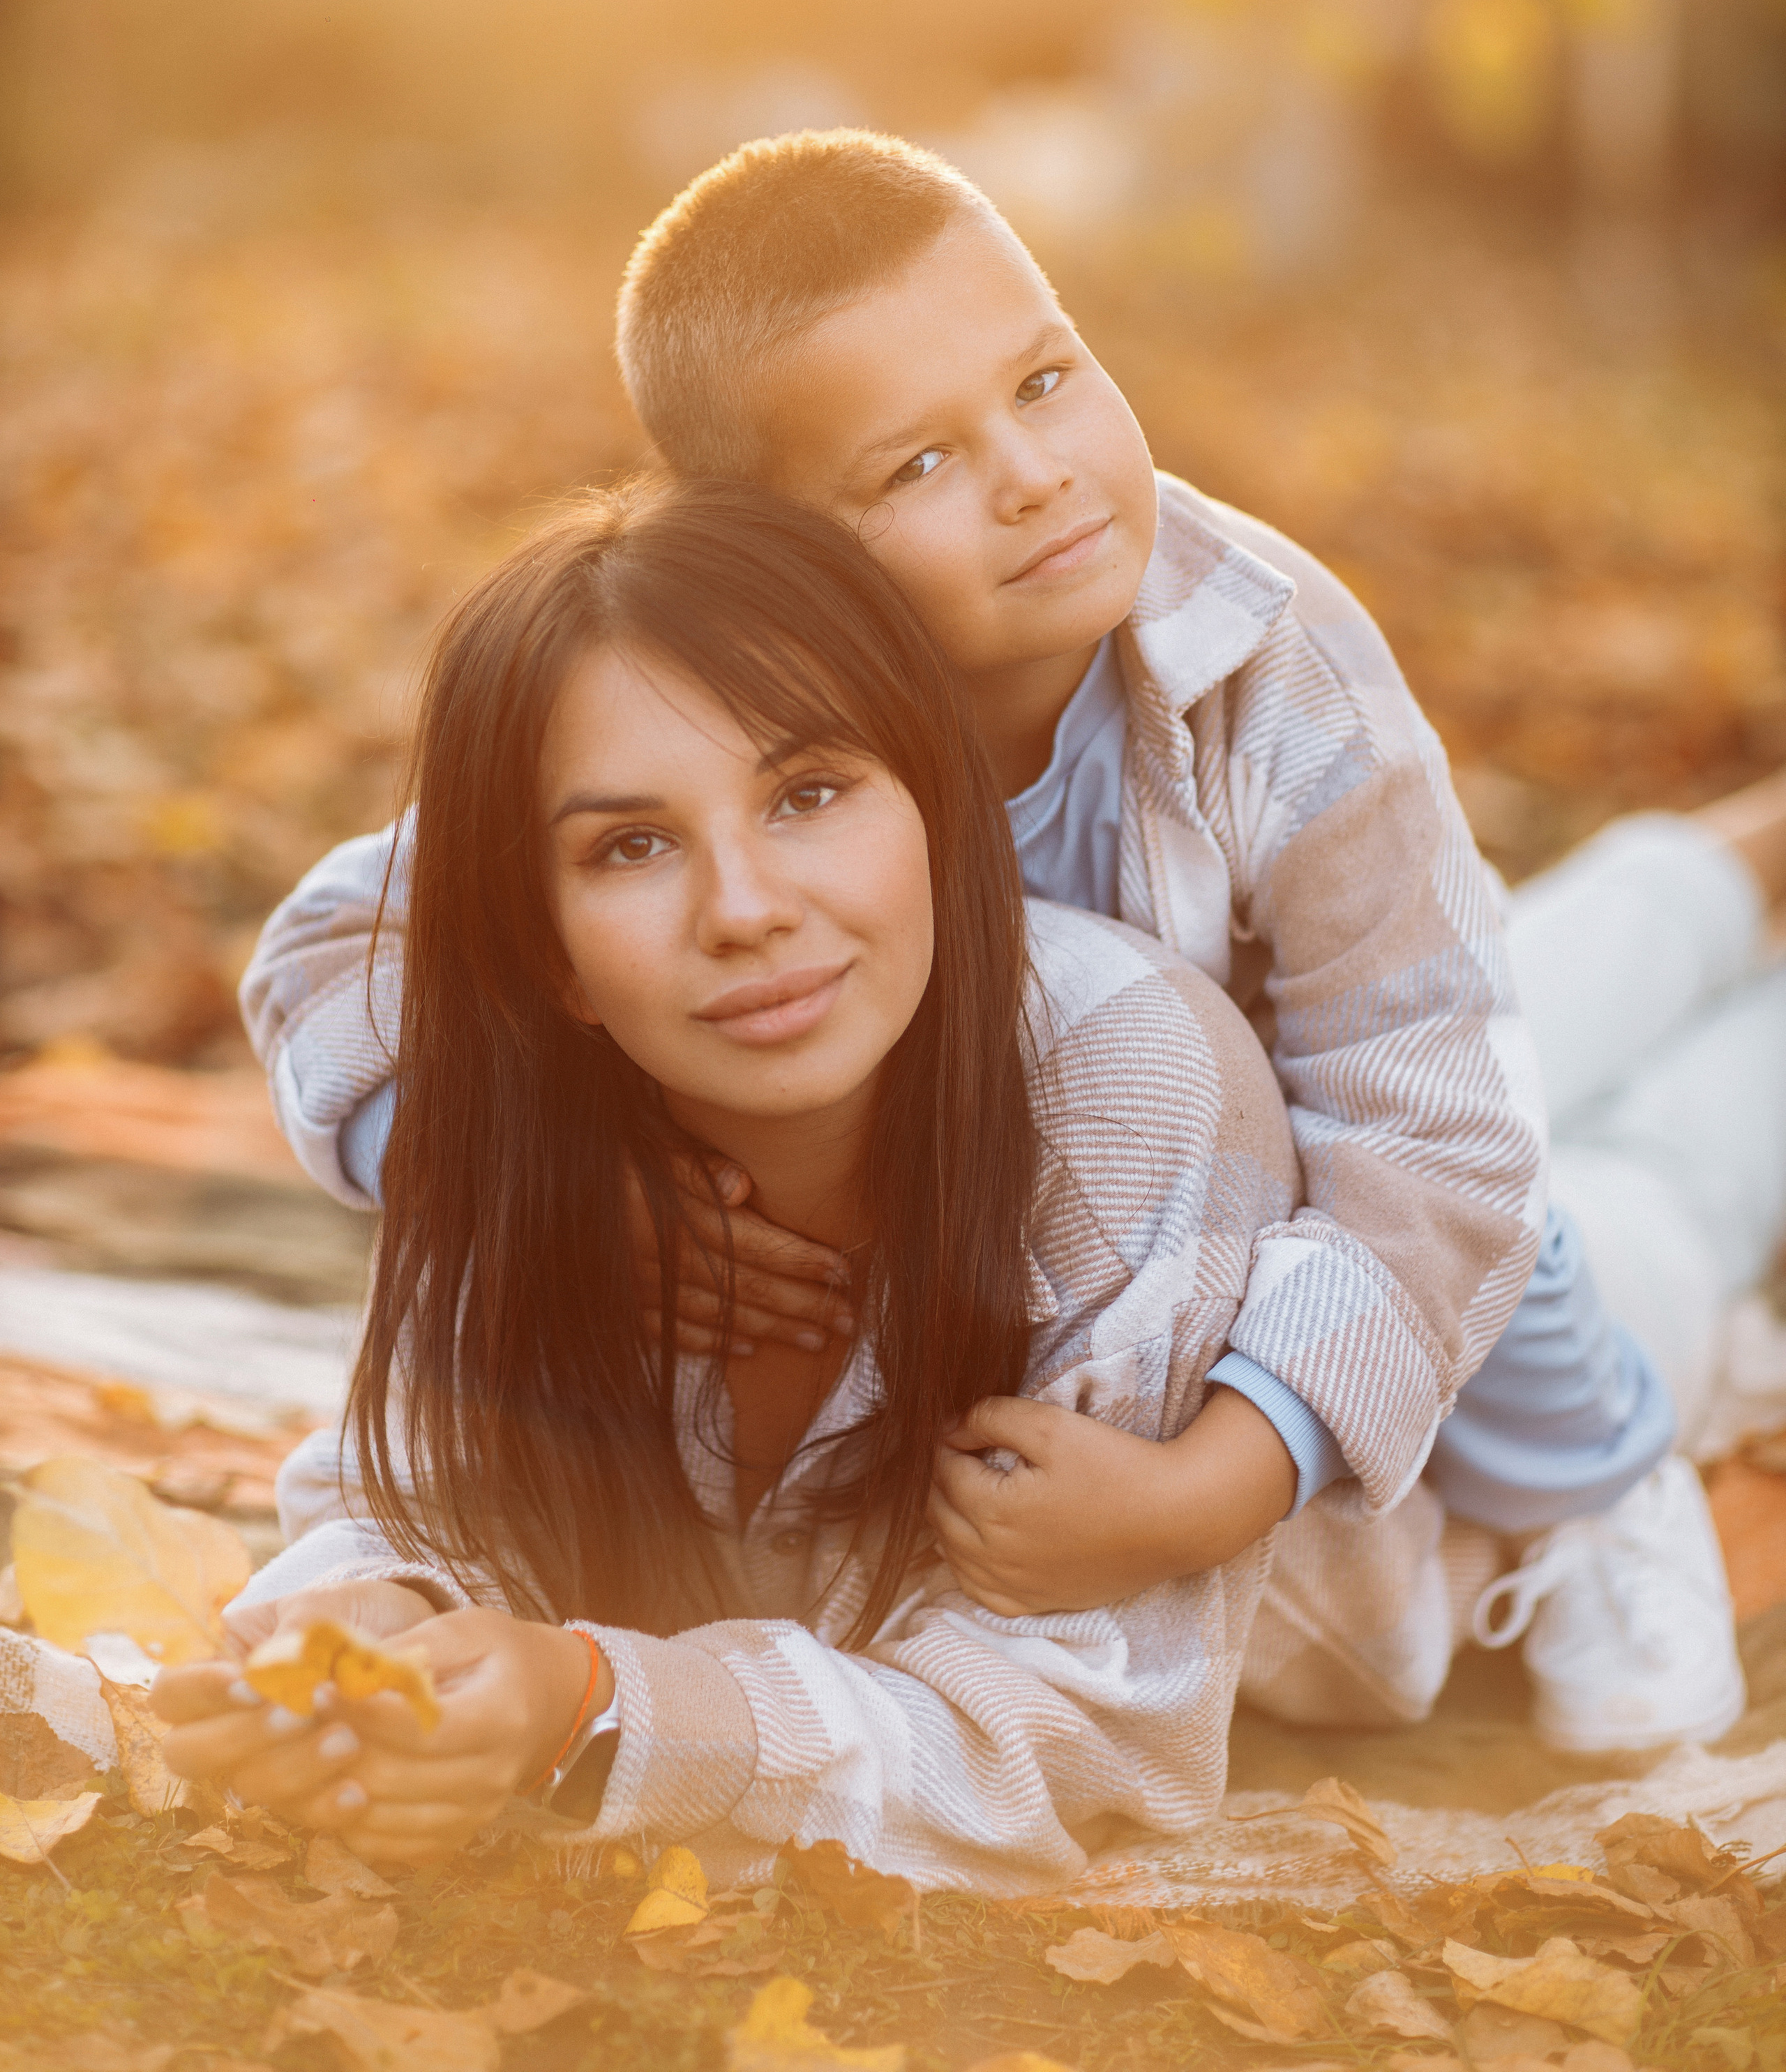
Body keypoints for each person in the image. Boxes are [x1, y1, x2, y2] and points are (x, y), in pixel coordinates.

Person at [241, 129, 1748, 1755]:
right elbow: (346, 947)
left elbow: (1429, 1127)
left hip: (1316, 1153)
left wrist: (1201, 1489)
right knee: (1519, 1004)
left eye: (1042, 381)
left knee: (1496, 1162)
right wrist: (528, 1185)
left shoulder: (1270, 658)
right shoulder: (732, 703)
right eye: (916, 465)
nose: (1033, 475)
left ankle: (1594, 1492)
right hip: (1083, 1175)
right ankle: (1711, 881)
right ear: (774, 539)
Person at [155, 481, 1317, 1887]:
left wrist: (594, 1706)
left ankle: (1671, 882)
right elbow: (418, 1496)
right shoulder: (540, 1125)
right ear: (549, 955)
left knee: (1640, 1181)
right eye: (630, 845)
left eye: (809, 793)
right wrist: (356, 1635)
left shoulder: (1130, 1080)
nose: (746, 910)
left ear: (936, 807)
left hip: (1462, 1504)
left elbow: (1074, 1740)